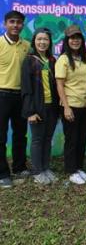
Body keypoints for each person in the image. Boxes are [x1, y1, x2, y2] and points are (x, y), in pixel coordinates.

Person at [21, 28, 60, 185]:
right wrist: (30, 111)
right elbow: (26, 88)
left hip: (52, 106)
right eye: (39, 39)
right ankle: (37, 171)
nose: (42, 42)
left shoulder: (52, 61)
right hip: (37, 107)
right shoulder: (29, 60)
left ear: (50, 42)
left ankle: (45, 167)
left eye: (45, 39)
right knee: (37, 139)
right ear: (34, 41)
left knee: (48, 138)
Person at [55, 25, 86, 185]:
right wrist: (66, 107)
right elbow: (59, 85)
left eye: (78, 38)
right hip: (71, 105)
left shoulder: (85, 59)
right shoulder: (63, 59)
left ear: (82, 40)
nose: (75, 41)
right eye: (72, 38)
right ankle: (71, 171)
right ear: (67, 40)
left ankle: (79, 167)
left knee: (82, 139)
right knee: (72, 139)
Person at [0, 11, 30, 188]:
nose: (15, 25)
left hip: (21, 96)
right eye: (12, 22)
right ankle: (3, 173)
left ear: (22, 25)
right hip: (2, 95)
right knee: (0, 136)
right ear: (5, 24)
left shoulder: (27, 45)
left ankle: (19, 167)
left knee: (20, 134)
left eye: (19, 22)